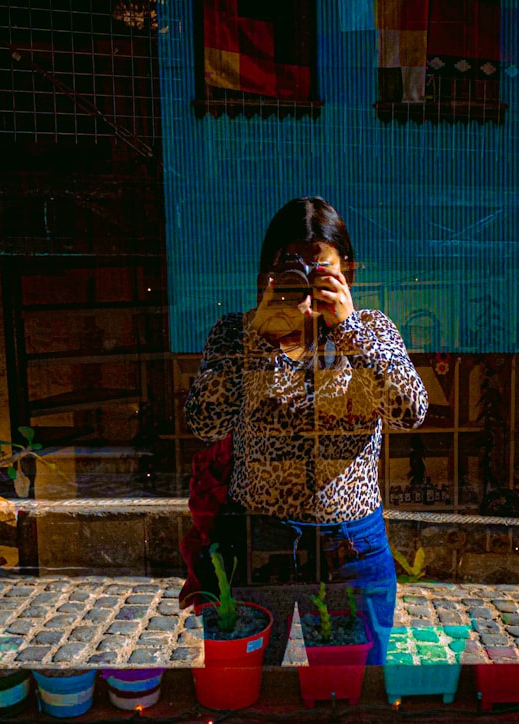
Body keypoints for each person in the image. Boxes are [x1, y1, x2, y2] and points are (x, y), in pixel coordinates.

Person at [184, 196, 429, 664]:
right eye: (294, 272)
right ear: (267, 275)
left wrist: (349, 330)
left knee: (352, 686)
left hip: (350, 544)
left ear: (349, 275)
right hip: (258, 538)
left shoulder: (374, 330)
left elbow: (409, 412)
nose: (307, 287)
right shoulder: (237, 333)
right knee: (249, 682)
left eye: (322, 274)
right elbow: (204, 423)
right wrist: (259, 332)